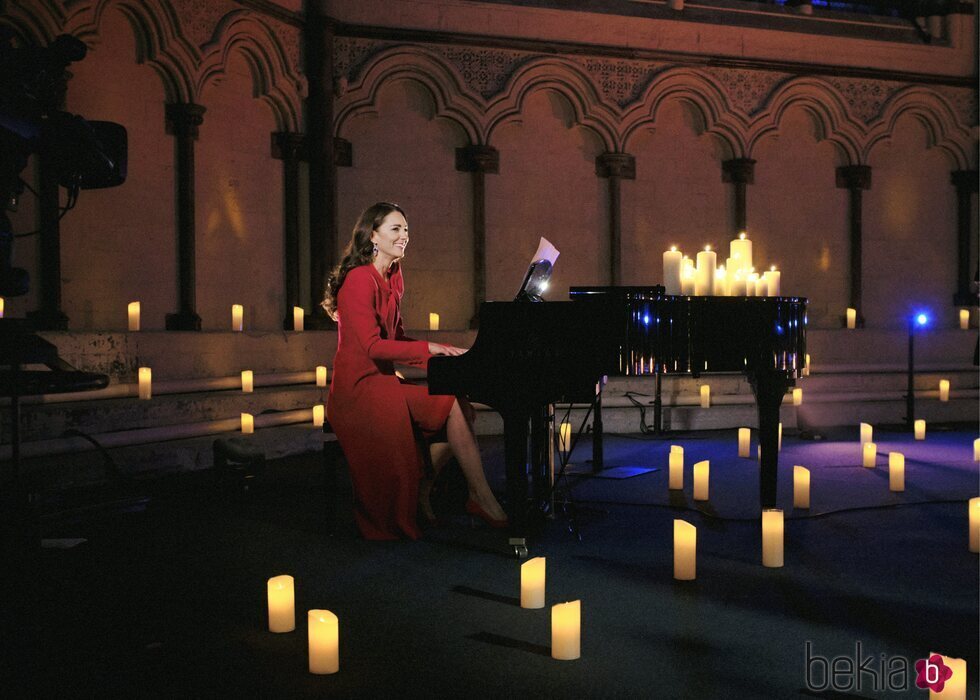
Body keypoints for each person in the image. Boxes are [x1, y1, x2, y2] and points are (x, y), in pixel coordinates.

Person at [322, 202, 508, 540]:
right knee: (450, 407)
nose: (404, 236)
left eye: (406, 230)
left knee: (458, 408)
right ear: (372, 235)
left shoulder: (394, 276)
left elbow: (396, 338)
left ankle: (449, 493)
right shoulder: (358, 280)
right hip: (357, 390)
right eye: (396, 229)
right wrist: (428, 350)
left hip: (383, 382)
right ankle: (471, 496)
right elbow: (373, 347)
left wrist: (443, 353)